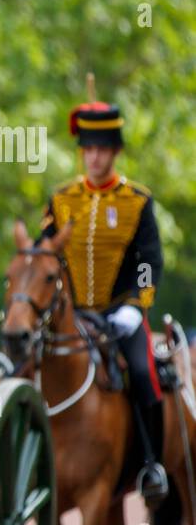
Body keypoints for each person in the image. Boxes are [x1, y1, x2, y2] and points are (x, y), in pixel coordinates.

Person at [40, 100, 167, 503]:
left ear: (115, 152)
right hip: (70, 316)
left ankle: (151, 464)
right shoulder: (61, 200)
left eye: (102, 150)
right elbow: (45, 258)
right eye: (88, 150)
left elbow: (149, 260)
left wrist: (135, 306)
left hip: (120, 315)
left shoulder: (137, 200)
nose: (94, 157)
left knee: (145, 375)